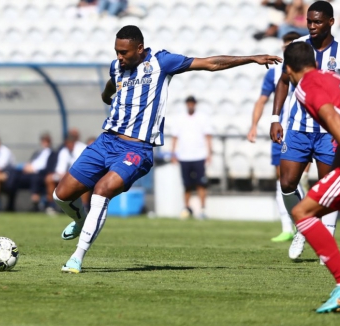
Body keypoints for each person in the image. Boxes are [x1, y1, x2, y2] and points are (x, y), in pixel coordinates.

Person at [54, 25, 280, 273]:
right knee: (61, 195)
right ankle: (80, 220)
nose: (119, 56)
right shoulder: (117, 66)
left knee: (101, 192)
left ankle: (77, 257)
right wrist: (107, 96)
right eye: (117, 51)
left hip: (136, 149)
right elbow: (111, 85)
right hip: (105, 141)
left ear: (139, 48)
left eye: (124, 52)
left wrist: (251, 59)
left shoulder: (162, 62)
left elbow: (210, 63)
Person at [269, 1, 340, 261]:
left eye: (318, 21)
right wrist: (275, 117)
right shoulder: (298, 49)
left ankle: (324, 242)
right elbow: (284, 81)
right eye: (309, 21)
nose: (312, 26)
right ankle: (301, 229)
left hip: (330, 132)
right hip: (298, 129)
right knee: (286, 183)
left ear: (330, 22)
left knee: (327, 186)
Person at [283, 41, 340, 313]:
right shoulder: (334, 77)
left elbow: (333, 120)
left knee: (302, 213)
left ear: (288, 69)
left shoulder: (305, 88)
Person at [247, 32, 302, 242]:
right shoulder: (276, 72)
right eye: (285, 45)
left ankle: (306, 224)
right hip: (281, 133)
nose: (287, 49)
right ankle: (288, 227)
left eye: (291, 45)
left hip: (303, 131)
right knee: (283, 181)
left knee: (300, 179)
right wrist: (254, 125)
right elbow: (261, 100)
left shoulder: (310, 68)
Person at [170, 96, 212, 220]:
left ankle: (203, 210)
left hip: (199, 155)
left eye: (192, 103)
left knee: (201, 184)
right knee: (187, 184)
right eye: (188, 103)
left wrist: (209, 153)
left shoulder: (202, 118)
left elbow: (208, 136)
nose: (190, 105)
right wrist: (173, 154)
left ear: (195, 104)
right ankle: (187, 208)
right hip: (184, 156)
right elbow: (175, 137)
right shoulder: (180, 118)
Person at [6, 133, 52, 212]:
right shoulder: (37, 153)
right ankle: (10, 200)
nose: (44, 143)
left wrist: (34, 169)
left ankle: (35, 204)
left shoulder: (52, 154)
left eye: (46, 141)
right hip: (28, 172)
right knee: (13, 174)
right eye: (43, 141)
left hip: (39, 174)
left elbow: (48, 167)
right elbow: (31, 162)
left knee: (35, 178)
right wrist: (27, 167)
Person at [44, 132, 87, 215]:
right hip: (67, 176)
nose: (69, 146)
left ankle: (85, 206)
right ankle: (52, 206)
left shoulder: (82, 148)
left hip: (81, 175)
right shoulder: (64, 151)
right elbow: (60, 170)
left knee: (85, 180)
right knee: (49, 178)